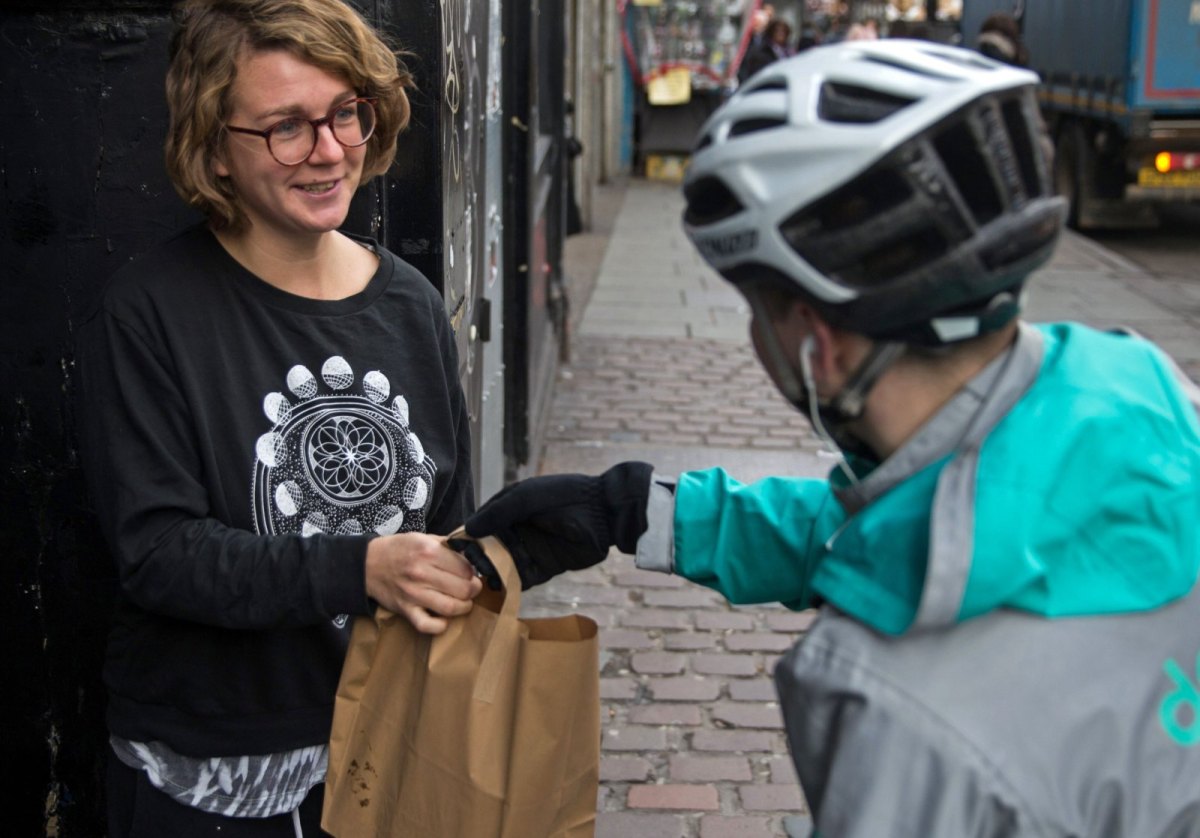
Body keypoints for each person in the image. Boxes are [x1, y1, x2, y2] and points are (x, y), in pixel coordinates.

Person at [459, 41, 1200, 836]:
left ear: (817, 343)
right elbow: (933, 533)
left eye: (758, 309)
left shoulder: (901, 706)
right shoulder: (1145, 405)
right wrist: (640, 512)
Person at [77, 0, 481, 834]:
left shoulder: (410, 305)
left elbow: (449, 522)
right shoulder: (150, 313)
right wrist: (361, 569)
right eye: (285, 127)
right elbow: (158, 554)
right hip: (211, 780)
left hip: (387, 758)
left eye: (346, 113)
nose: (329, 150)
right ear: (214, 148)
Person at [738, 18, 792, 84]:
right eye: (777, 31)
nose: (780, 34)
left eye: (783, 31)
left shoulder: (790, 51)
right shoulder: (763, 50)